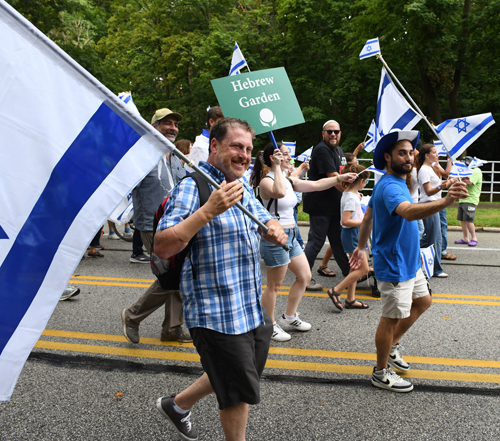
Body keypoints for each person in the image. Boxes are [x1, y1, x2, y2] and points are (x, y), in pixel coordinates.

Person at [153, 118, 287, 441]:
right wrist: (207, 211)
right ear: (215, 146)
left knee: (234, 373)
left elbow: (261, 217)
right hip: (216, 315)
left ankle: (178, 405)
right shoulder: (192, 187)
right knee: (238, 389)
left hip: (251, 309)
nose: (244, 155)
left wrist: (274, 229)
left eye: (249, 149)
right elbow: (161, 245)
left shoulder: (239, 184)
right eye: (236, 147)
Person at [350, 130, 468, 393]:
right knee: (390, 318)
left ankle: (392, 346)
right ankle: (380, 372)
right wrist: (446, 201)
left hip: (410, 260)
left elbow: (368, 216)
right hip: (394, 263)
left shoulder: (391, 182)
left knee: (423, 301)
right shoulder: (392, 186)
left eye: (410, 152)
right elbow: (408, 212)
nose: (408, 156)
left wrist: (360, 247)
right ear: (387, 157)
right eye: (401, 152)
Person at [250, 142, 356, 341]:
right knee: (275, 285)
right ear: (273, 158)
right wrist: (275, 168)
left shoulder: (289, 180)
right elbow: (279, 193)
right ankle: (268, 324)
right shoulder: (267, 181)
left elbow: (316, 185)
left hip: (291, 235)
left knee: (305, 276)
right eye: (284, 154)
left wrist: (340, 178)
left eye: (288, 154)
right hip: (275, 237)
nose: (289, 157)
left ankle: (289, 317)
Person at [121, 108, 191, 344]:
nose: (173, 127)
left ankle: (172, 329)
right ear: (154, 127)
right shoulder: (142, 155)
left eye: (175, 124)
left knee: (180, 275)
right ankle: (132, 316)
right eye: (166, 123)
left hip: (179, 223)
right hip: (153, 225)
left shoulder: (175, 156)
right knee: (170, 276)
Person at [303, 120, 365, 291]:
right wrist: (350, 192)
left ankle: (350, 272)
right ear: (323, 133)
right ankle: (304, 277)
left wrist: (351, 190)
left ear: (340, 133)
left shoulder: (337, 150)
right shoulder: (322, 149)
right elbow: (333, 176)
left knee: (338, 241)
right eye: (329, 131)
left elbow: (343, 174)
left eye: (336, 131)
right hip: (320, 204)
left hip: (333, 204)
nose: (333, 134)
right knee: (316, 241)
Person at [327, 164, 370, 311]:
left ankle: (350, 300)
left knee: (354, 267)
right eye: (366, 181)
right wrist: (364, 222)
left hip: (352, 234)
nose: (366, 184)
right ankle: (336, 290)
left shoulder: (349, 194)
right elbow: (345, 221)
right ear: (360, 180)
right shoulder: (351, 198)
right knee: (363, 269)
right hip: (352, 234)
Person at [317, 150, 360, 277]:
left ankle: (324, 264)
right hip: (336, 207)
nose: (356, 167)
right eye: (354, 164)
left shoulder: (347, 184)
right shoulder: (345, 180)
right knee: (335, 239)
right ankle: (340, 285)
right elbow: (345, 188)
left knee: (336, 240)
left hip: (341, 205)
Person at [416, 144, 455, 278]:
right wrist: (443, 185)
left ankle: (426, 264)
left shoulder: (430, 168)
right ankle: (435, 269)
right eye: (434, 152)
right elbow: (428, 191)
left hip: (434, 204)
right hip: (429, 204)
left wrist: (448, 181)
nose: (437, 155)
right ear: (427, 155)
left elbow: (443, 177)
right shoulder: (424, 170)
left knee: (432, 238)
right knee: (434, 238)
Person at [185, 106, 224, 172]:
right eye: (222, 122)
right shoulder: (200, 147)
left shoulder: (222, 141)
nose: (226, 126)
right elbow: (199, 177)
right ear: (211, 122)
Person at [455, 156, 483, 246]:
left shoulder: (476, 170)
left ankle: (474, 238)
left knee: (469, 220)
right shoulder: (466, 171)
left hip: (471, 199)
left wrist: (462, 177)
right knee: (462, 220)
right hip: (463, 198)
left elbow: (469, 183)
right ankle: (465, 238)